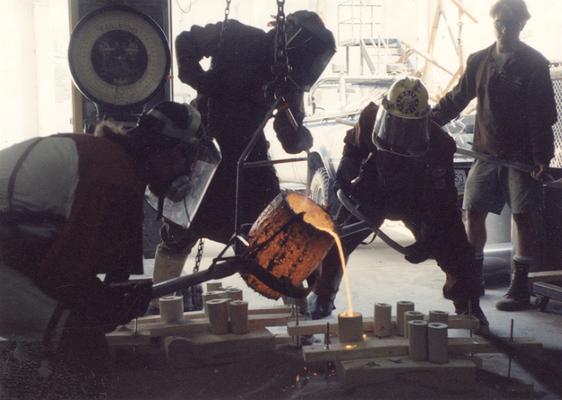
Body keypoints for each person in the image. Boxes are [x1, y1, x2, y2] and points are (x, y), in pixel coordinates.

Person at [0, 101, 219, 398]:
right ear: (164, 151)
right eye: (187, 160)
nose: (188, 172)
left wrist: (111, 300)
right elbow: (62, 278)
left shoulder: (111, 161)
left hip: (11, 251)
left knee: (50, 336)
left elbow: (76, 271)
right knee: (83, 344)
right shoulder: (112, 177)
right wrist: (102, 305)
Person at [149, 10, 336, 312]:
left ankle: (299, 320)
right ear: (288, 34)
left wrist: (301, 137)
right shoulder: (235, 36)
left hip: (248, 155)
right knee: (178, 230)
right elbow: (186, 42)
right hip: (205, 146)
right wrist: (202, 81)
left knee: (278, 233)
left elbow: (288, 137)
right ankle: (157, 307)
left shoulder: (288, 77)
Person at [307, 77, 488, 327]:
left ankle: (468, 305)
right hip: (375, 188)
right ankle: (322, 295)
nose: (399, 137)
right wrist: (347, 168)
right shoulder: (370, 118)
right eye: (394, 125)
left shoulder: (440, 146)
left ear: (425, 122)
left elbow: (443, 205)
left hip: (418, 197)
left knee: (456, 247)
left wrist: (429, 241)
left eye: (409, 129)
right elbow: (353, 144)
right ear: (384, 113)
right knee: (338, 236)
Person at [431, 0, 557, 311]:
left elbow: (544, 117)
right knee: (472, 212)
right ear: (494, 23)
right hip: (486, 155)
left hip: (522, 158)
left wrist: (542, 157)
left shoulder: (535, 65)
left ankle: (519, 286)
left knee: (522, 217)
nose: (504, 28)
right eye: (500, 22)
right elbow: (457, 98)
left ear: (522, 25)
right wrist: (429, 121)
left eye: (511, 23)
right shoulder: (479, 61)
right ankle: (474, 278)